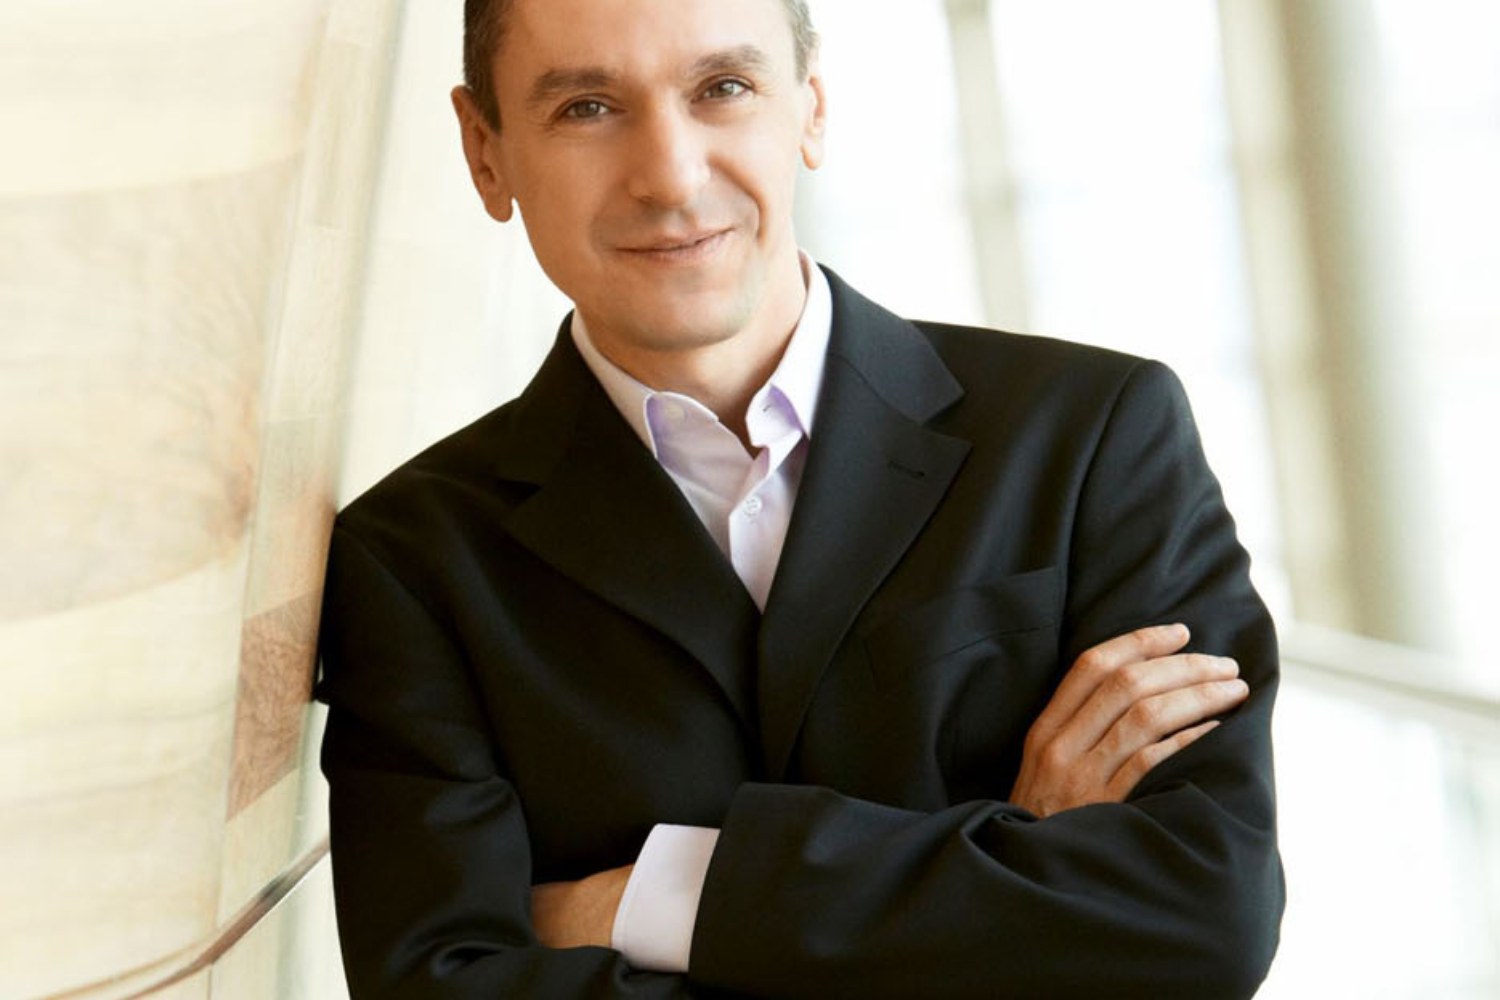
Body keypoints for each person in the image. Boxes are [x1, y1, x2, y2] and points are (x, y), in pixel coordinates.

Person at [314, 0, 1285, 996]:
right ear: (486, 153)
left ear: (811, 108)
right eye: (588, 108)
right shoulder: (411, 560)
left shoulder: (1094, 435)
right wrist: (1007, 866)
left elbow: (1202, 915)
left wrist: (656, 900)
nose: (670, 176)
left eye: (723, 88)